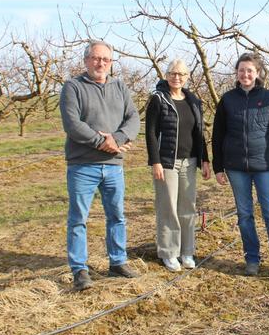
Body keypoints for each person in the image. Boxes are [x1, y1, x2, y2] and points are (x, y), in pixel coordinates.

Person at [59, 40, 141, 291]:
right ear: (86, 61)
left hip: (113, 166)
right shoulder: (73, 87)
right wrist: (101, 142)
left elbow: (133, 118)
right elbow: (72, 124)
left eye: (105, 59)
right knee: (78, 218)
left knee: (117, 216)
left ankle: (117, 262)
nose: (100, 63)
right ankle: (80, 269)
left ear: (111, 63)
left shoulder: (119, 87)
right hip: (83, 165)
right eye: (95, 58)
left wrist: (116, 140)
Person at [212, 52, 269, 282]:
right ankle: (252, 259)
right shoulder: (227, 99)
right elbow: (217, 134)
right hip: (236, 167)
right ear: (237, 73)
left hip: (266, 166)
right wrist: (218, 167)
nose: (245, 74)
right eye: (241, 70)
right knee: (245, 215)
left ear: (257, 73)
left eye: (250, 70)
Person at [145, 59, 211, 272]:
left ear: (188, 76)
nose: (177, 77)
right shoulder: (158, 99)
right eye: (173, 73)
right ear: (166, 75)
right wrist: (155, 161)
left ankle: (187, 251)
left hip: (190, 162)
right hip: (167, 162)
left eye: (182, 74)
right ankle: (169, 252)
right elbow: (151, 133)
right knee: (168, 207)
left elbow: (199, 132)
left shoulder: (193, 100)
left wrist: (205, 159)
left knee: (187, 208)